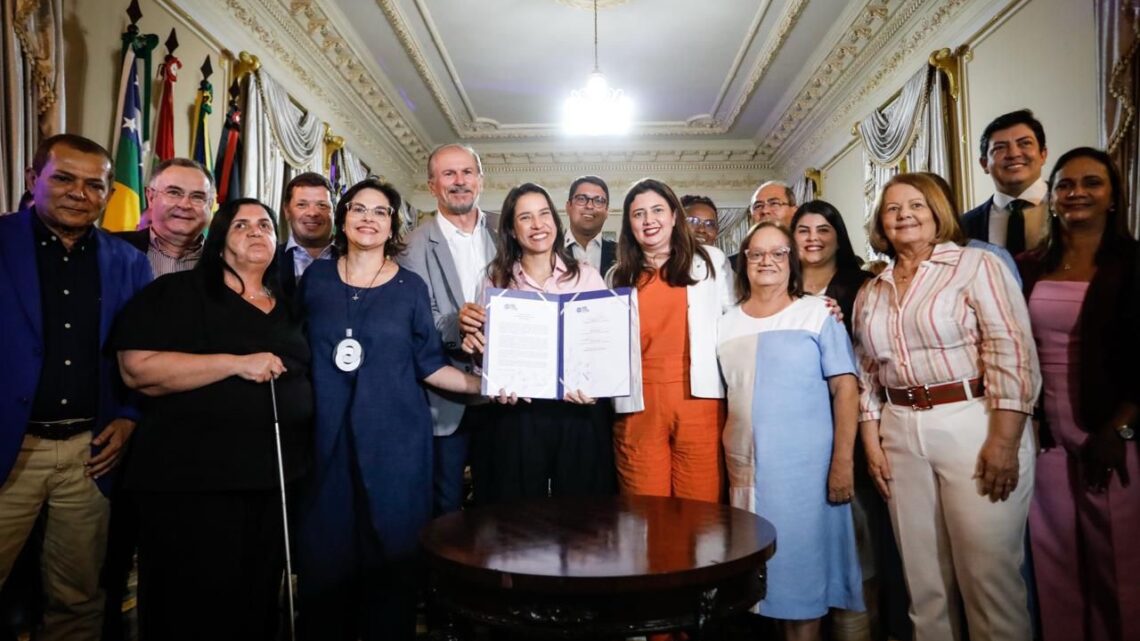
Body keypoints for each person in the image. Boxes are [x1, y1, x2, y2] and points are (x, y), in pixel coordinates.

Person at [295, 178, 489, 641]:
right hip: (326, 442)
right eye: (358, 209)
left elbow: (429, 364)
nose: (368, 218)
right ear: (343, 218)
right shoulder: (314, 279)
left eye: (380, 211)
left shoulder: (410, 287)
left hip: (396, 444)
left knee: (393, 556)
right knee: (326, 554)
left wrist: (488, 385)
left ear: (393, 225)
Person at [853, 172, 1040, 641]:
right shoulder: (870, 290)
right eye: (892, 209)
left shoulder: (976, 266)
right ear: (881, 223)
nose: (904, 215)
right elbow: (866, 372)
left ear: (937, 211)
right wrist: (872, 438)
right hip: (898, 430)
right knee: (924, 584)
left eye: (915, 205)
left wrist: (1004, 440)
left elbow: (1011, 350)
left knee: (988, 580)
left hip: (973, 421)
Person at [112, 198, 310, 641]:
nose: (256, 231)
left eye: (264, 224)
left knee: (256, 603)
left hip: (273, 481)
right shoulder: (176, 293)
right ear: (219, 239)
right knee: (190, 606)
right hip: (190, 483)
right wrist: (235, 363)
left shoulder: (293, 303)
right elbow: (137, 369)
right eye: (241, 224)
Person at [0, 134, 151, 641]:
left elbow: (139, 351)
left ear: (108, 194)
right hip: (10, 450)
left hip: (89, 458)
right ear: (32, 179)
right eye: (63, 178)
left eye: (94, 185)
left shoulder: (128, 261)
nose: (78, 193)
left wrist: (130, 416)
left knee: (78, 601)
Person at [1016, 147, 1139, 641]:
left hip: (1111, 429)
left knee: (1118, 563)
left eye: (1092, 183)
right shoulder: (1027, 266)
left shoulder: (1133, 262)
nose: (1077, 193)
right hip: (1043, 432)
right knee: (1054, 558)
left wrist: (1122, 425)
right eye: (1065, 185)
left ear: (1112, 197)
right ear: (1052, 198)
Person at [720, 221, 863, 641]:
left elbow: (846, 390)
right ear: (743, 262)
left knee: (803, 580)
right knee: (760, 585)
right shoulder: (725, 323)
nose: (767, 261)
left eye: (778, 253)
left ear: (792, 260)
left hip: (805, 474)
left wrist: (842, 464)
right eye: (756, 253)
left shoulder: (817, 312)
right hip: (746, 472)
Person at [457, 183, 617, 504]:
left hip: (577, 414)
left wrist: (594, 384)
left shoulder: (586, 276)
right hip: (518, 413)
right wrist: (476, 347)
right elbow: (485, 355)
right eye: (525, 218)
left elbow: (604, 349)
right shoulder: (494, 279)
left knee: (581, 518)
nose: (538, 225)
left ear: (556, 223)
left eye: (544, 214)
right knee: (517, 518)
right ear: (513, 231)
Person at [608, 178, 732, 502]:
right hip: (638, 407)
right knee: (645, 512)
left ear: (675, 215)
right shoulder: (616, 276)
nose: (649, 220)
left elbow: (736, 322)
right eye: (638, 214)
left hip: (700, 402)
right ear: (629, 224)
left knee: (702, 510)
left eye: (658, 210)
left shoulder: (711, 261)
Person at [397, 143, 497, 516]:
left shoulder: (506, 235)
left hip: (502, 396)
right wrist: (458, 325)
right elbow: (418, 322)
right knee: (444, 506)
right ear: (432, 185)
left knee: (500, 503)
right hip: (443, 398)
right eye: (448, 174)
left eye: (467, 172)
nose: (459, 181)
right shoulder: (411, 245)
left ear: (480, 180)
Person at [961, 109, 1050, 254]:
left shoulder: (1071, 208)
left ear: (1043, 154)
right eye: (1000, 148)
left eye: (1025, 143)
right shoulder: (964, 226)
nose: (1014, 154)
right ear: (984, 164)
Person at [115, 158, 213, 278]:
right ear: (151, 198)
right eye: (174, 193)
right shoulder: (112, 248)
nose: (185, 205)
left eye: (197, 196)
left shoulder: (226, 259)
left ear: (210, 205)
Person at [275, 172, 336, 299]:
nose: (313, 213)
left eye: (322, 205)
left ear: (334, 211)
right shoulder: (268, 261)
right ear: (287, 211)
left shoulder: (355, 259)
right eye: (302, 205)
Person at [730, 180, 798, 266]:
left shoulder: (808, 259)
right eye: (758, 206)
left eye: (774, 203)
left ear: (794, 211)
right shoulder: (733, 266)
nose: (765, 211)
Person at [564, 175, 617, 275]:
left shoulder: (622, 255)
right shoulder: (549, 251)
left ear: (607, 211)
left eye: (598, 201)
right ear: (568, 207)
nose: (589, 206)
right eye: (581, 199)